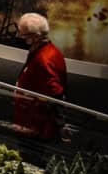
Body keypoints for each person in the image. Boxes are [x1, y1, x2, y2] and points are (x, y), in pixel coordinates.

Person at [13, 12, 67, 140]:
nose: (19, 37)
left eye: (23, 35)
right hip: (30, 121)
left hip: (35, 127)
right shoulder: (44, 50)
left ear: (35, 37)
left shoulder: (44, 59)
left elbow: (55, 93)